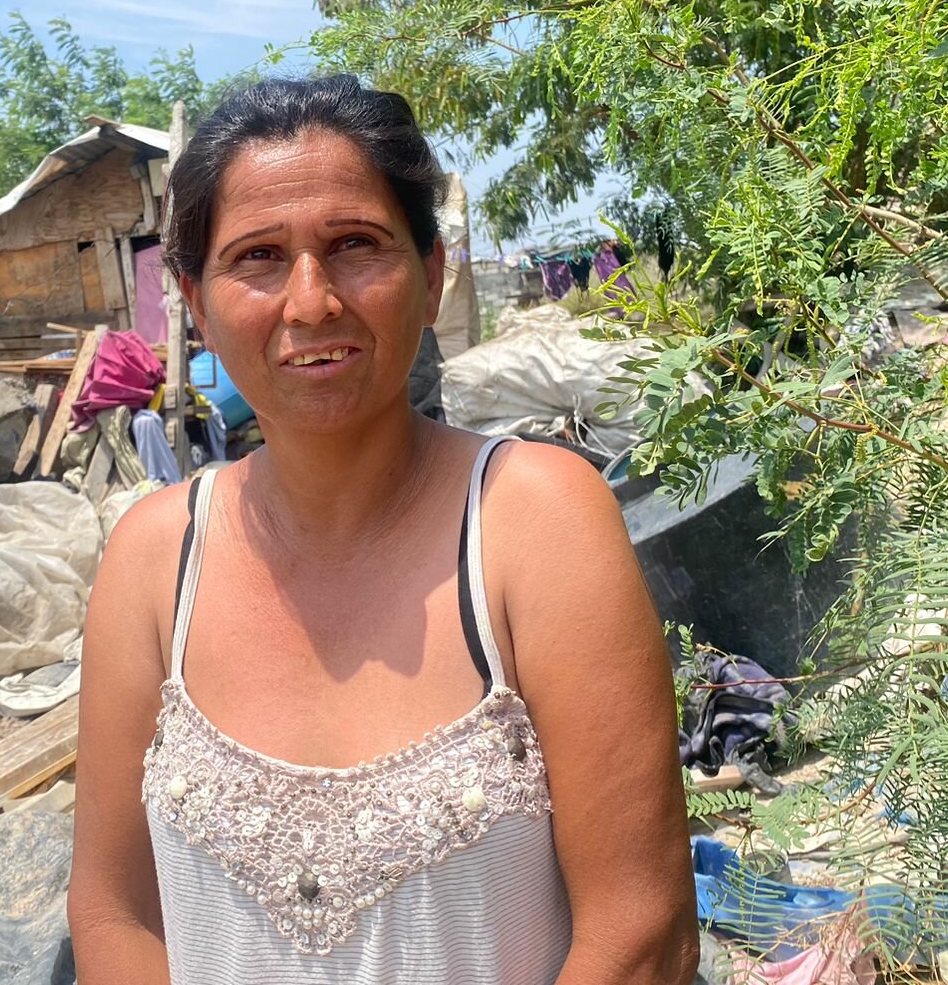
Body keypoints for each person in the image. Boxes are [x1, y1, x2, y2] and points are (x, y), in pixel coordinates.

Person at [69, 76, 698, 984]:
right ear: (196, 304)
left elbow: (642, 933)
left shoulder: (533, 522)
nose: (311, 302)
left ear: (432, 275)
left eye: (355, 245)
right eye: (257, 257)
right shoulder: (153, 559)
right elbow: (113, 912)